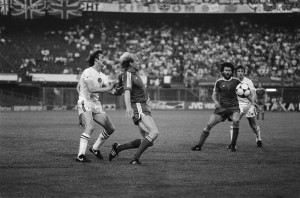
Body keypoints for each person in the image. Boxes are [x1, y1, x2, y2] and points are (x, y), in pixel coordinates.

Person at [108, 52, 159, 165]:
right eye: (136, 61)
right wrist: (128, 107)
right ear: (131, 63)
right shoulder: (128, 75)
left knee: (149, 141)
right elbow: (126, 91)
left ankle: (118, 148)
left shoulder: (132, 74)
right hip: (139, 107)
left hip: (144, 108)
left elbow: (117, 91)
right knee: (154, 132)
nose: (139, 62)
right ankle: (135, 159)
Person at [191, 62, 254, 152]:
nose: (228, 72)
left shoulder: (236, 81)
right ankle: (199, 145)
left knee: (236, 121)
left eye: (229, 70)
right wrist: (216, 101)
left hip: (234, 107)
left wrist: (252, 103)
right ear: (222, 71)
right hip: (222, 108)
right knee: (209, 124)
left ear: (232, 72)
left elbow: (246, 93)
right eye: (226, 70)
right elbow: (214, 95)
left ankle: (233, 145)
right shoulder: (219, 82)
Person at [76, 50, 116, 163]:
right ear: (96, 59)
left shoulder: (103, 75)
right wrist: (108, 88)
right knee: (90, 127)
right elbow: (91, 89)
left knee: (111, 128)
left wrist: (118, 90)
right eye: (102, 57)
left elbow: (109, 90)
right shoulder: (87, 71)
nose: (104, 59)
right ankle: (80, 155)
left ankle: (94, 148)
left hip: (95, 105)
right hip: (85, 102)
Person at [227, 65, 262, 148]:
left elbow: (254, 94)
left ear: (244, 72)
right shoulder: (233, 82)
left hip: (248, 104)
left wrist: (250, 105)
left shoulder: (248, 81)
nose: (240, 73)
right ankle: (233, 144)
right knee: (234, 122)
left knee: (253, 125)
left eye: (242, 71)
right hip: (238, 105)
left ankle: (258, 138)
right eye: (238, 71)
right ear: (236, 73)